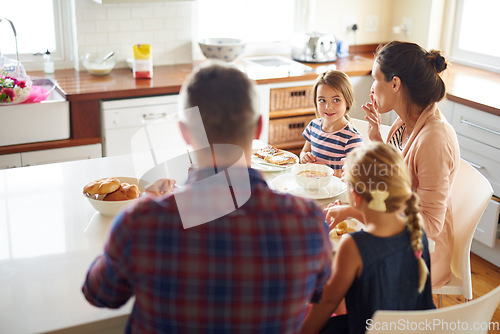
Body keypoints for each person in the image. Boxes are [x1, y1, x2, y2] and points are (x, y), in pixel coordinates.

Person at [82, 61, 333, 333]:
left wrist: (144, 206)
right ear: (259, 128)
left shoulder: (143, 221)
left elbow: (100, 293)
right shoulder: (307, 221)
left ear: (185, 132)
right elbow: (317, 291)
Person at [327, 41, 460, 289]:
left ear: (395, 84)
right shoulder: (404, 122)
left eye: (376, 80)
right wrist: (377, 140)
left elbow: (430, 225)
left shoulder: (435, 139)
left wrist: (358, 213)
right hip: (397, 234)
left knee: (339, 267)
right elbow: (398, 178)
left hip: (421, 254)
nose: (372, 89)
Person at [301, 142, 435, 334]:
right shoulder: (416, 229)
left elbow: (328, 301)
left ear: (355, 195)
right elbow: (382, 217)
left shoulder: (354, 246)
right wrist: (349, 210)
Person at [300, 70, 363, 178]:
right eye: (322, 100)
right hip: (313, 186)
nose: (328, 107)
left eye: (336, 100)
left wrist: (326, 171)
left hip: (336, 191)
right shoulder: (313, 126)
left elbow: (355, 175)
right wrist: (304, 157)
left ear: (347, 101)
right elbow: (304, 151)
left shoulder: (352, 138)